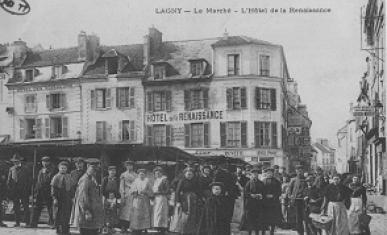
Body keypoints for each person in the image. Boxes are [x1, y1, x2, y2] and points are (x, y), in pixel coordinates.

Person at [74, 162, 104, 235]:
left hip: (93, 212)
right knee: (87, 231)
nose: (94, 171)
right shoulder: (85, 180)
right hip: (87, 212)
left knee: (93, 231)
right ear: (87, 167)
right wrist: (87, 211)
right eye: (92, 168)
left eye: (95, 169)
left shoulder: (92, 178)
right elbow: (82, 197)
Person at [28, 156, 55, 228]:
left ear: (49, 162)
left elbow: (50, 180)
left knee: (50, 208)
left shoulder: (52, 170)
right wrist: (35, 190)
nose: (45, 163)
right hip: (40, 191)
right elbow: (38, 182)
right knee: (37, 207)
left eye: (46, 161)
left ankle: (53, 223)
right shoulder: (41, 170)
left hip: (48, 191)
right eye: (43, 162)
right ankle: (33, 223)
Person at [213, 162, 240, 234]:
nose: (226, 165)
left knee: (229, 211)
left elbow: (233, 185)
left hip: (230, 195)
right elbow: (217, 184)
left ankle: (227, 225)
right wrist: (224, 191)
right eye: (224, 164)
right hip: (224, 194)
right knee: (223, 212)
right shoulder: (218, 173)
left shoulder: (230, 174)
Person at [7, 154, 32, 227]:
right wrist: (10, 189)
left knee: (25, 206)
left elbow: (29, 180)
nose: (15, 163)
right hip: (15, 191)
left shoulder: (26, 169)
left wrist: (28, 190)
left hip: (24, 191)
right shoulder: (11, 169)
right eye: (14, 161)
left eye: (17, 161)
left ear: (20, 161)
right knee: (16, 207)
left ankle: (27, 222)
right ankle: (17, 222)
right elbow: (9, 180)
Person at [175, 167, 201, 235]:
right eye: (188, 174)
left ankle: (192, 231)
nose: (189, 175)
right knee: (185, 215)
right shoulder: (182, 181)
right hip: (185, 200)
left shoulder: (195, 181)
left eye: (191, 174)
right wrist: (178, 202)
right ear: (185, 174)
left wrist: (199, 198)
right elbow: (177, 191)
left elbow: (198, 190)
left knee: (193, 215)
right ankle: (184, 231)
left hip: (194, 200)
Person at [240, 165, 265, 235]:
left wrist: (261, 195)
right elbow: (245, 193)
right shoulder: (249, 183)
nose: (255, 175)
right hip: (250, 204)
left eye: (256, 174)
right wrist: (251, 195)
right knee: (250, 220)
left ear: (258, 175)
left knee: (257, 219)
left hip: (258, 204)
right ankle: (250, 233)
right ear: (251, 175)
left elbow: (264, 192)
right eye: (254, 174)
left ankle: (257, 232)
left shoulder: (261, 183)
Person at [51, 161, 72, 235]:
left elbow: (71, 187)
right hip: (59, 197)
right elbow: (53, 188)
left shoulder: (69, 176)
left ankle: (66, 230)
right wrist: (54, 198)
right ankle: (58, 229)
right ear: (59, 168)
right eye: (62, 168)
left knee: (66, 214)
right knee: (58, 214)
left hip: (67, 197)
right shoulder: (56, 177)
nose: (63, 169)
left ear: (67, 169)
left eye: (64, 168)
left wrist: (71, 197)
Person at [130, 168, 152, 235]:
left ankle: (144, 227)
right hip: (137, 199)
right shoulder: (136, 181)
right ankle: (136, 228)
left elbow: (151, 191)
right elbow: (132, 189)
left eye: (143, 174)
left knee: (144, 213)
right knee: (136, 214)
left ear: (145, 175)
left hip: (145, 200)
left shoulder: (147, 181)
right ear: (138, 175)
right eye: (140, 174)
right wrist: (135, 191)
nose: (141, 175)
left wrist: (146, 192)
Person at [287, 165, 308, 235]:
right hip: (296, 201)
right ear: (296, 171)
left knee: (305, 217)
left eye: (301, 170)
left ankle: (307, 231)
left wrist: (306, 196)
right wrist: (291, 196)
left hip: (304, 201)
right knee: (298, 218)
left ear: (303, 171)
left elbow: (308, 190)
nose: (299, 172)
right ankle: (300, 232)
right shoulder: (293, 180)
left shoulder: (306, 180)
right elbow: (289, 190)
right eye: (298, 170)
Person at [262, 168, 282, 235]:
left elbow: (279, 191)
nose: (269, 174)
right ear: (266, 173)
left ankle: (272, 231)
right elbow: (261, 190)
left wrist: (273, 196)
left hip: (274, 202)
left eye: (271, 173)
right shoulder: (263, 181)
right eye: (268, 173)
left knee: (273, 217)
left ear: (273, 173)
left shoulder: (277, 181)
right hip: (265, 202)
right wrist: (265, 195)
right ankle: (264, 231)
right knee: (265, 216)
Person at [119, 160, 137, 232]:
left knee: (132, 210)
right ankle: (123, 226)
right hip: (126, 194)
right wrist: (122, 193)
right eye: (128, 165)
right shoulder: (123, 174)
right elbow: (121, 185)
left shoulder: (135, 175)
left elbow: (137, 184)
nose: (129, 167)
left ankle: (131, 226)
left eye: (131, 165)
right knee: (124, 210)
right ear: (126, 166)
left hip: (133, 194)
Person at [152, 166, 170, 235]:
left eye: (159, 173)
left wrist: (159, 193)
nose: (157, 174)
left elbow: (167, 190)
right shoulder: (156, 180)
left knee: (162, 212)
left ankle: (163, 227)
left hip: (162, 197)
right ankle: (157, 226)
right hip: (156, 198)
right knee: (157, 212)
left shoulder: (164, 179)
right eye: (156, 173)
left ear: (161, 173)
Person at [102, 166, 120, 231]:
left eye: (114, 171)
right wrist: (105, 197)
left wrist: (116, 198)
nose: (112, 172)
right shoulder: (105, 179)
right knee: (106, 212)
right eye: (111, 171)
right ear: (108, 171)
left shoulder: (117, 179)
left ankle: (111, 227)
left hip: (114, 199)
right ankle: (105, 227)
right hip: (106, 198)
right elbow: (102, 190)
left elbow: (118, 190)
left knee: (113, 213)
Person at [70, 157, 86, 224]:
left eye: (80, 163)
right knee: (74, 208)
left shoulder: (86, 172)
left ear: (83, 164)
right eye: (77, 163)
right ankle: (74, 222)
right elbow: (70, 183)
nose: (79, 165)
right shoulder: (72, 172)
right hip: (74, 192)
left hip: (83, 192)